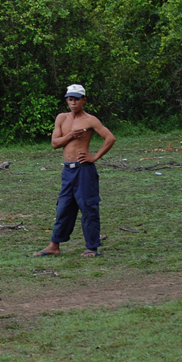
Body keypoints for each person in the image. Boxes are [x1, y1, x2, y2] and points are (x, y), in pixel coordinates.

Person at [34, 84, 116, 258]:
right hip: (67, 171)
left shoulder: (90, 120)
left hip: (84, 171)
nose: (73, 102)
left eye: (77, 99)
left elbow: (110, 138)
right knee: (63, 207)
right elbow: (55, 144)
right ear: (67, 100)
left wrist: (94, 157)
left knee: (88, 207)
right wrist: (71, 135)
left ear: (84, 100)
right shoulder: (62, 118)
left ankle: (92, 247)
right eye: (70, 99)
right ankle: (54, 245)